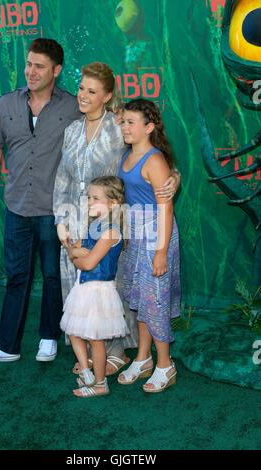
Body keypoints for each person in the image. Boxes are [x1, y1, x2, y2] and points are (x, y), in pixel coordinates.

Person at [53, 62, 180, 376]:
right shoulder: (70, 130)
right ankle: (88, 352)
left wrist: (173, 177)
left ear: (107, 96)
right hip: (75, 220)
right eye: (81, 88)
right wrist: (60, 219)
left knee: (112, 286)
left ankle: (116, 351)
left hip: (112, 222)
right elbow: (62, 179)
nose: (82, 95)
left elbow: (152, 156)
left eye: (91, 91)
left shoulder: (118, 125)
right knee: (80, 287)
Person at [0, 38, 81, 365]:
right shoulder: (6, 105)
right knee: (17, 276)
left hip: (54, 211)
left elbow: (106, 130)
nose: (31, 71)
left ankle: (49, 336)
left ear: (56, 70)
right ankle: (7, 345)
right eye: (29, 64)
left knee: (52, 275)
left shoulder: (72, 106)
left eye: (39, 66)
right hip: (17, 207)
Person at [117, 99, 181, 392]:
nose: (125, 127)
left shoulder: (154, 160)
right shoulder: (127, 155)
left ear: (149, 126)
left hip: (157, 236)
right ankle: (143, 358)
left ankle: (165, 365)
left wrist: (160, 252)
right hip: (136, 236)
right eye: (123, 121)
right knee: (141, 299)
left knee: (154, 300)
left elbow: (165, 209)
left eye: (131, 122)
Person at [60, 176, 129, 397]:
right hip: (83, 288)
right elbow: (74, 249)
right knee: (73, 331)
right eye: (89, 197)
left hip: (99, 290)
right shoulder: (94, 227)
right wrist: (76, 252)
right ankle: (88, 373)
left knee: (94, 339)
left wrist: (78, 255)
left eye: (95, 198)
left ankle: (100, 384)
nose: (89, 201)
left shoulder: (111, 231)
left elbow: (88, 262)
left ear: (113, 203)